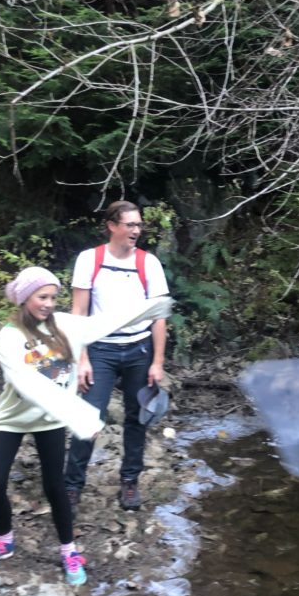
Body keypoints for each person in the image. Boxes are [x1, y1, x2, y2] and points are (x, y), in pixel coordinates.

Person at [0, 265, 172, 585]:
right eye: (42, 297)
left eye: (53, 297)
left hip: (49, 422)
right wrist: (79, 417)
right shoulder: (7, 339)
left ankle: (69, 550)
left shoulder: (65, 325)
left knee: (56, 487)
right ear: (24, 299)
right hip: (12, 420)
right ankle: (4, 540)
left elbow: (105, 322)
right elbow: (28, 384)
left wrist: (153, 307)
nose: (49, 304)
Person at [64, 200, 171, 511]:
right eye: (130, 225)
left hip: (139, 349)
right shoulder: (89, 260)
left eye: (139, 225)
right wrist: (81, 358)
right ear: (112, 226)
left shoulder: (148, 263)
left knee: (137, 419)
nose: (136, 231)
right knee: (88, 418)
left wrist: (158, 361)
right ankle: (72, 486)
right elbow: (79, 312)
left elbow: (159, 316)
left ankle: (129, 482)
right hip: (99, 350)